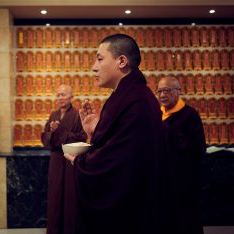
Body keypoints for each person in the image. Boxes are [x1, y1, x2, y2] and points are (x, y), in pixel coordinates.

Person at [64, 34, 163, 234]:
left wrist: (80, 163)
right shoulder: (122, 96)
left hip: (131, 213)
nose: (94, 67)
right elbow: (115, 144)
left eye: (100, 59)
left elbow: (121, 162)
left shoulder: (138, 102)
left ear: (122, 61)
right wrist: (93, 132)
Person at [156, 77, 206, 234]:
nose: (163, 95)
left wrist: (168, 133)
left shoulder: (190, 116)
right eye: (159, 91)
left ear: (178, 92)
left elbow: (198, 148)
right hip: (162, 180)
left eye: (167, 90)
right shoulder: (158, 115)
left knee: (186, 222)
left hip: (184, 181)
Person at [41, 85, 87, 234]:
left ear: (71, 97)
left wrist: (60, 131)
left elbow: (81, 137)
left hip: (70, 161)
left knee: (69, 197)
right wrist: (52, 132)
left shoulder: (76, 115)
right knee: (55, 196)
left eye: (64, 95)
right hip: (56, 160)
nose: (60, 97)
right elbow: (45, 137)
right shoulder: (53, 115)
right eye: (58, 95)